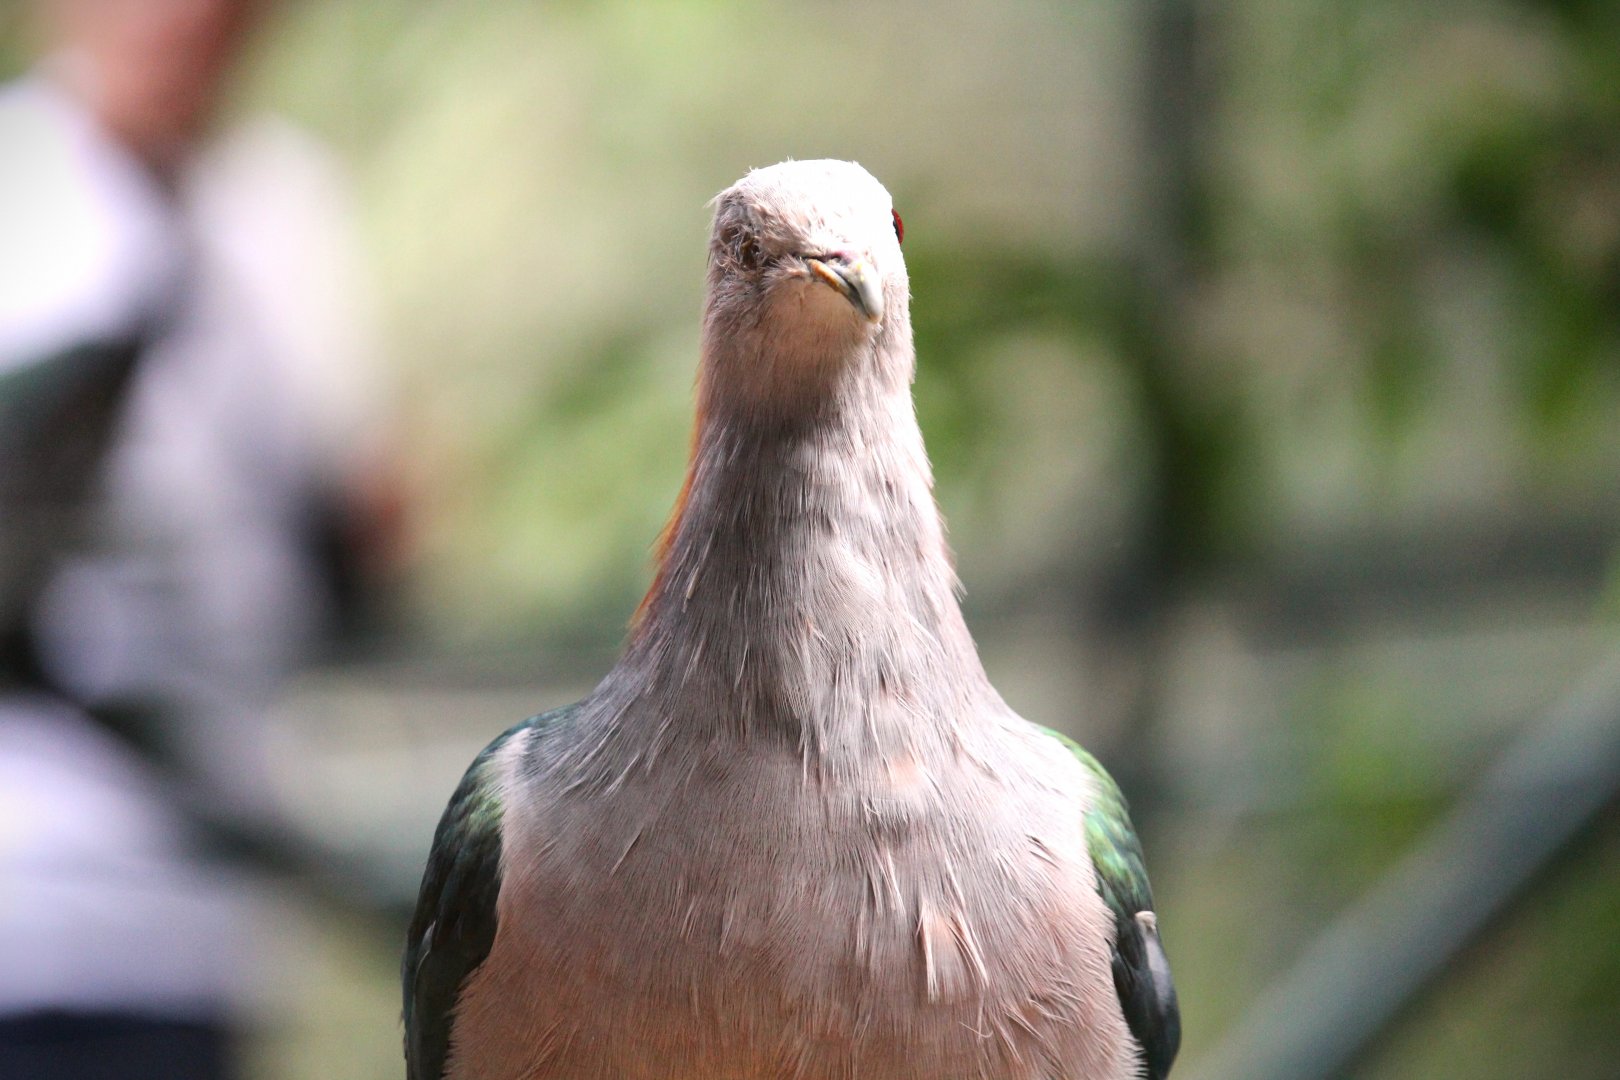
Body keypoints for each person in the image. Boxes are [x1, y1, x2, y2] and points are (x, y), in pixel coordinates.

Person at [0, 1, 402, 1076]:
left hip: (203, 910)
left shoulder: (282, 209)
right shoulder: (16, 187)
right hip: (25, 898)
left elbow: (351, 499)